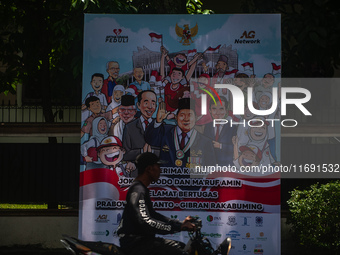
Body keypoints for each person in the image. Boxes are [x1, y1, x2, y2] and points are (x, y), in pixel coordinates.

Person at [117, 152, 195, 255]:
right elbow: (146, 221)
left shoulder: (141, 189)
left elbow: (154, 215)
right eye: (158, 166)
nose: (160, 170)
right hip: (136, 244)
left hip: (144, 242)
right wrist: (177, 227)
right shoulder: (138, 190)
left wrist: (180, 223)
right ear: (149, 169)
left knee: (182, 247)